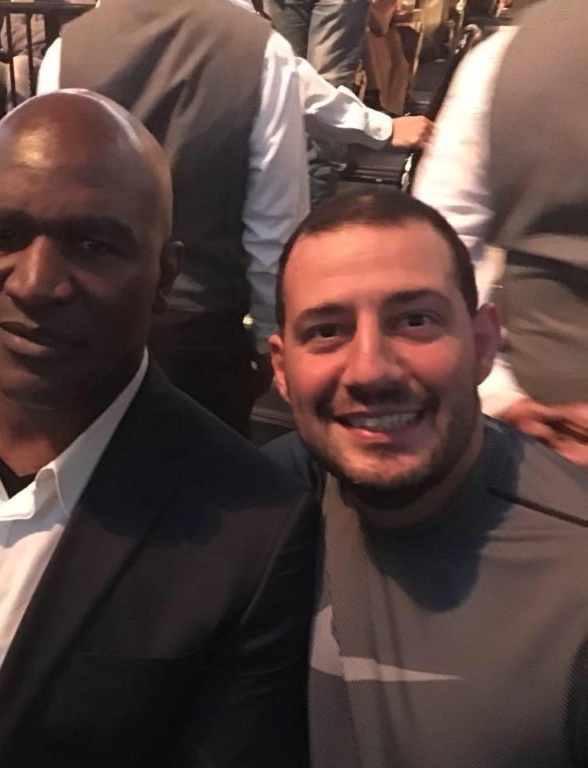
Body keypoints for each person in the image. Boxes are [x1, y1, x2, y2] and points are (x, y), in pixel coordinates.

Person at [0, 90, 316, 768]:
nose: (34, 283)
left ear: (164, 276)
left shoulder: (252, 531)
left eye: (93, 245)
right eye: (2, 236)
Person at [267, 188, 588, 767]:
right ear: (282, 371)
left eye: (415, 321)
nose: (370, 370)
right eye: (327, 330)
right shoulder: (253, 509)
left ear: (483, 344)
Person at [36, 0, 430, 434]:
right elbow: (274, 216)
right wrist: (271, 334)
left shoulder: (67, 49)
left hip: (90, 317)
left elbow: (54, 195)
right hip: (202, 324)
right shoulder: (258, 48)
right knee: (206, 464)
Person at [413, 0, 588, 468]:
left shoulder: (505, 58)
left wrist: (495, 392)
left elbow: (439, 246)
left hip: (540, 417)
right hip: (543, 422)